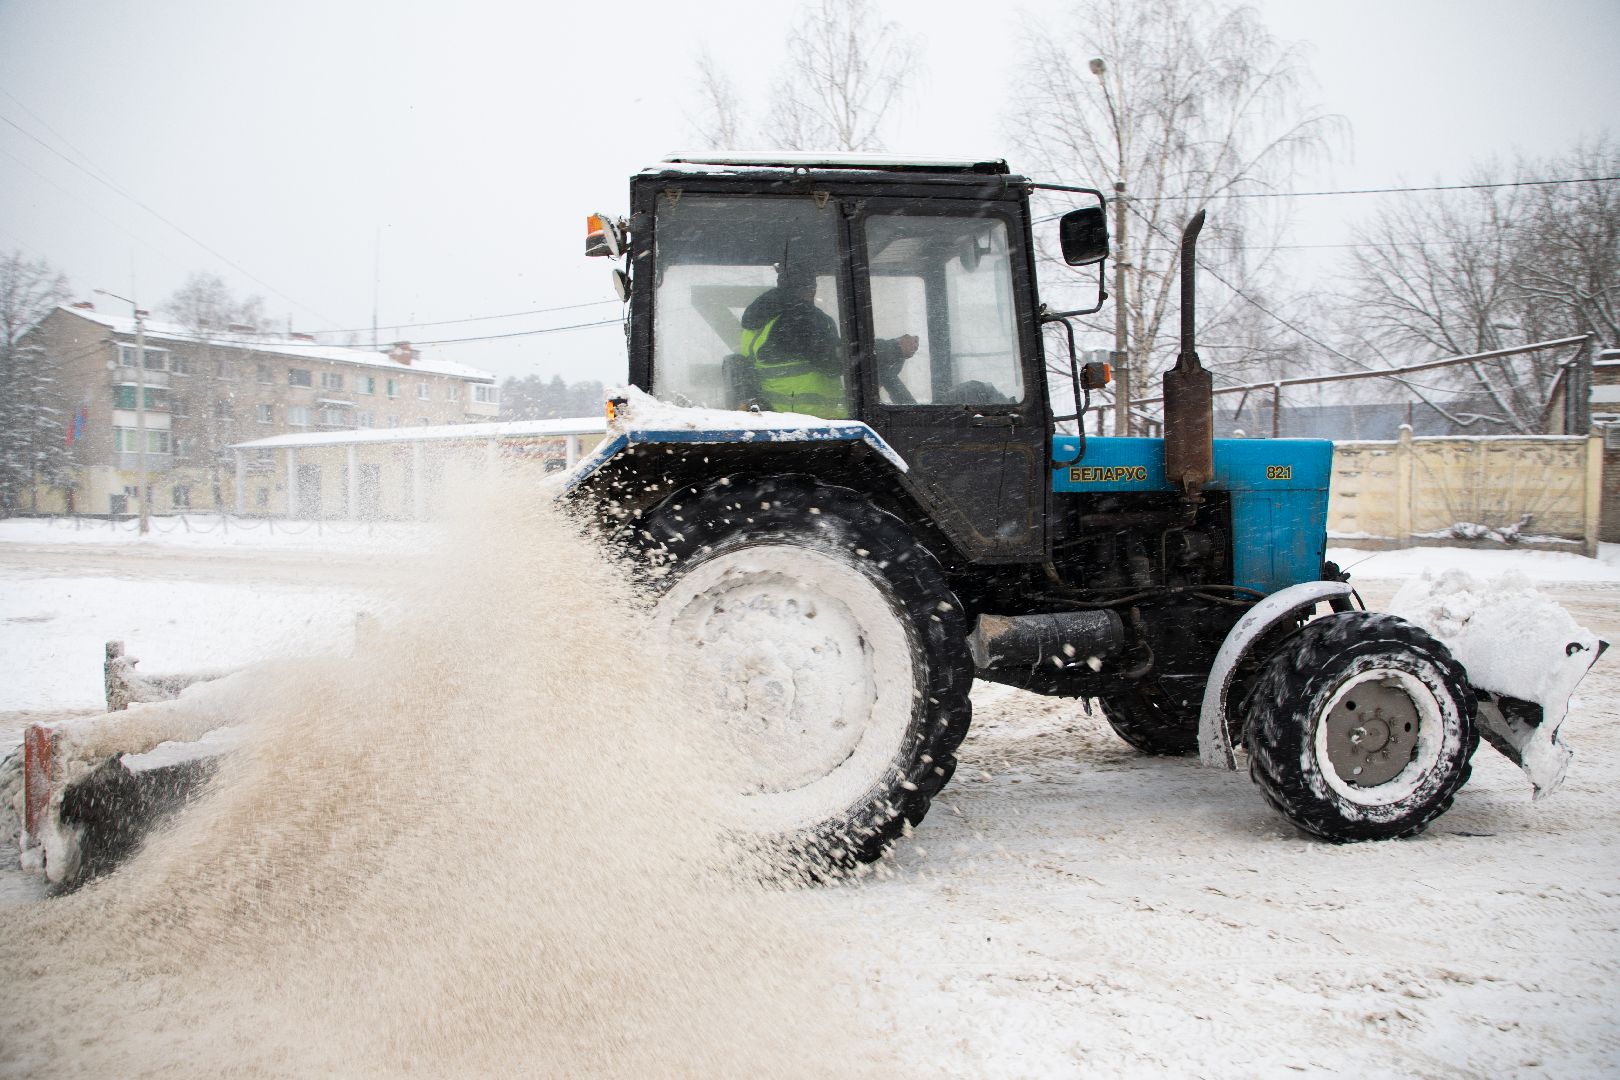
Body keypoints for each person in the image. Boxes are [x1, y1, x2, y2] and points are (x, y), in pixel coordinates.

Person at [739, 264, 918, 418]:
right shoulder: (800, 317)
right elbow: (835, 360)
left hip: (781, 417)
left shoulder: (763, 319)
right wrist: (893, 348)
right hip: (812, 420)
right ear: (811, 288)